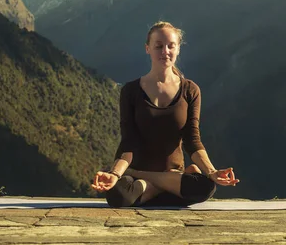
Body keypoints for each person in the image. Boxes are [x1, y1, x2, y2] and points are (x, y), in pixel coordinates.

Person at [91, 21, 239, 207]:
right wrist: (115, 174)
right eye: (158, 46)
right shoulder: (131, 91)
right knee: (118, 196)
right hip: (164, 179)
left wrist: (211, 172)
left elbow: (192, 140)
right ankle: (163, 187)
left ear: (178, 50)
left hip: (156, 175)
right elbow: (129, 141)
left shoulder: (190, 90)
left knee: (205, 187)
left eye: (171, 46)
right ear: (148, 49)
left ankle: (150, 185)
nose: (165, 51)